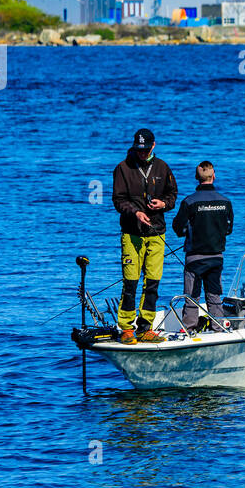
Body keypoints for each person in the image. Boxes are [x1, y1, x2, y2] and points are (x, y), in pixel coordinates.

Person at [111, 128, 178, 344]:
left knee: (153, 281)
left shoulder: (162, 167)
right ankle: (126, 328)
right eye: (138, 150)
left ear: (153, 146)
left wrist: (164, 204)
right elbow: (118, 200)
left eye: (145, 149)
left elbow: (172, 194)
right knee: (130, 281)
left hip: (157, 232)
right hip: (132, 233)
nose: (141, 153)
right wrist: (136, 212)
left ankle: (145, 327)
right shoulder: (123, 168)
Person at [172, 161, 234, 331]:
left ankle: (189, 329)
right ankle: (218, 327)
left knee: (192, 295)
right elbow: (229, 229)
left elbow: (177, 227)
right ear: (214, 176)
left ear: (196, 178)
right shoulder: (225, 202)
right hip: (216, 256)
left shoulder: (189, 201)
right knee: (214, 294)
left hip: (195, 257)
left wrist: (191, 232)